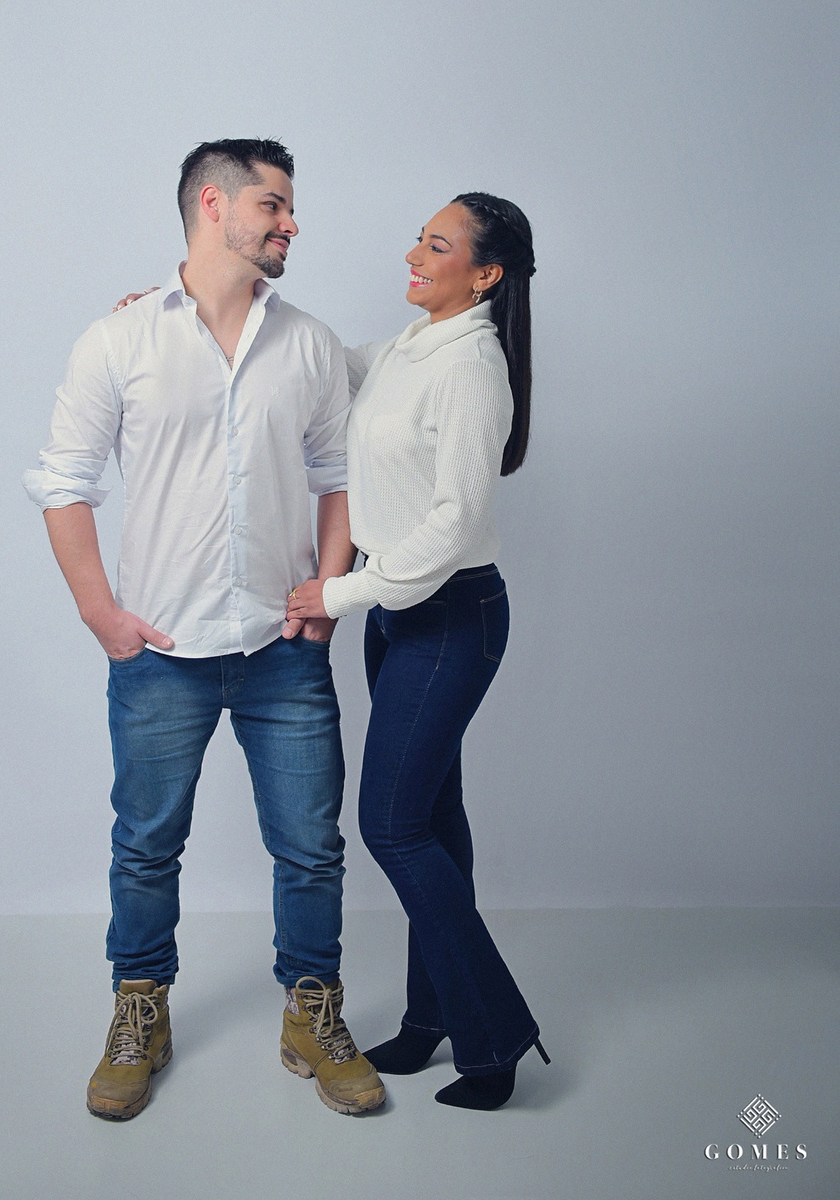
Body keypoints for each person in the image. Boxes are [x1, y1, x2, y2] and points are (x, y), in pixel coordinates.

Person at [23, 139, 385, 1120]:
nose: (292, 223)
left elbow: (338, 474)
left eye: (291, 207)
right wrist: (100, 614)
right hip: (162, 655)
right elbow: (63, 481)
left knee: (311, 848)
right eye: (274, 204)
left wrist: (326, 590)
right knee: (146, 845)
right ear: (213, 205)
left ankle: (312, 1011)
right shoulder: (119, 340)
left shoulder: (309, 343)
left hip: (282, 652)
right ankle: (140, 1009)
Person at [286, 191, 550, 1110]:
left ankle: (496, 1032)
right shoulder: (411, 345)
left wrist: (340, 593)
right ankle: (433, 1017)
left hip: (448, 618)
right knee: (432, 820)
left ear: (484, 275)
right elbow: (322, 360)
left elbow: (454, 524)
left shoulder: (472, 365)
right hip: (402, 617)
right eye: (420, 238)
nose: (413, 254)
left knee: (393, 826)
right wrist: (211, 302)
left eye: (437, 246)